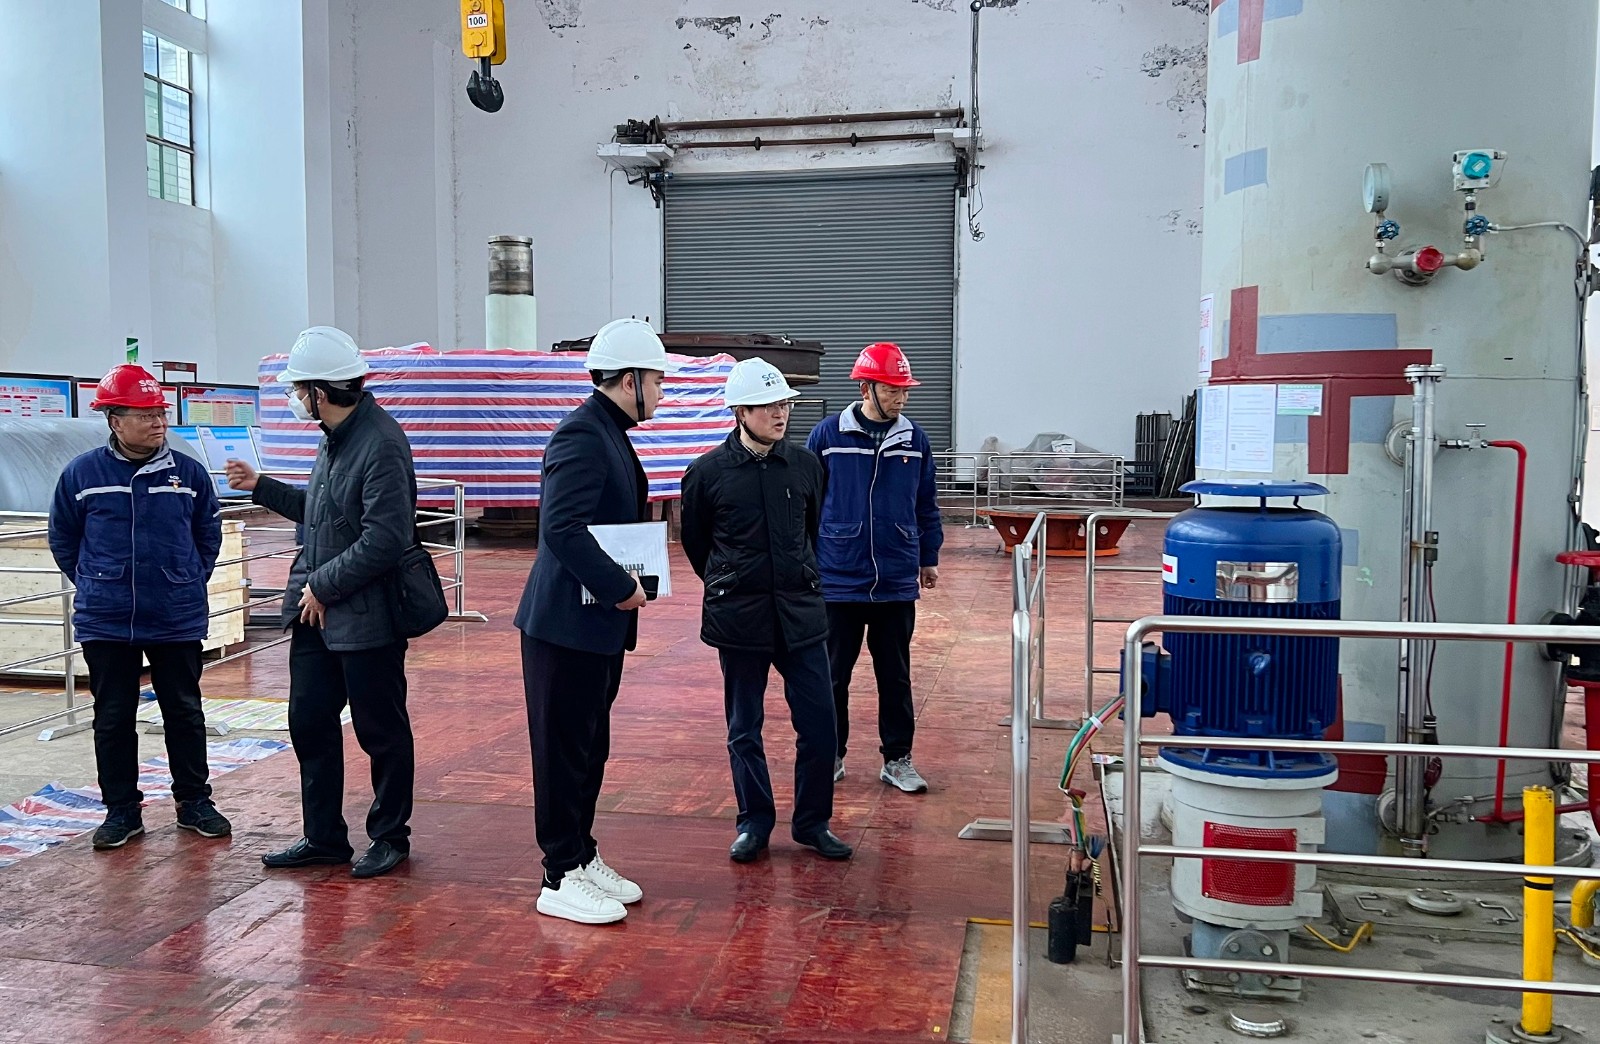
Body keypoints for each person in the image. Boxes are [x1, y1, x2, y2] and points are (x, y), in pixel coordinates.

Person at [224, 326, 418, 880]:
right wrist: (261, 486)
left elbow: (386, 538)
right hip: (317, 614)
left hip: (366, 617)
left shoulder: (381, 443)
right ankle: (324, 837)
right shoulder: (334, 438)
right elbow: (322, 510)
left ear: (320, 392)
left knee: (380, 729)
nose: (294, 399)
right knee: (309, 722)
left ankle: (390, 836)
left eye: (297, 389)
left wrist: (323, 585)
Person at [514, 318, 675, 925]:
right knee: (562, 752)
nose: (661, 392)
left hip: (594, 625)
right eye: (656, 381)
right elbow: (561, 528)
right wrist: (619, 586)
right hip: (564, 627)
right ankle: (558, 875)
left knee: (588, 747)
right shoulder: (582, 435)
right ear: (629, 380)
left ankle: (581, 853)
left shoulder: (610, 432)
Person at [47, 364, 232, 850]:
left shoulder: (188, 474)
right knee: (112, 717)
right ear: (115, 420)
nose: (158, 423)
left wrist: (184, 579)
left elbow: (207, 535)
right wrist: (98, 582)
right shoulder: (82, 474)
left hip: (175, 616)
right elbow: (64, 539)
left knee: (184, 712)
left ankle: (194, 802)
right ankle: (122, 811)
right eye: (146, 415)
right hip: (106, 620)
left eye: (160, 414)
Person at [682, 357, 852, 865]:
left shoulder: (805, 466)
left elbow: (811, 531)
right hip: (740, 619)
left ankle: (812, 823)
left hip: (801, 615)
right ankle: (754, 823)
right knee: (744, 728)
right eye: (769, 406)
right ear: (740, 411)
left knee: (820, 725)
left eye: (785, 404)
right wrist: (731, 584)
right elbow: (697, 545)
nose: (781, 414)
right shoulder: (707, 473)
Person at [805, 342, 943, 794]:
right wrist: (806, 561)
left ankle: (897, 759)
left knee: (895, 676)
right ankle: (830, 754)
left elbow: (926, 502)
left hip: (896, 579)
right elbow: (806, 501)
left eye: (905, 390)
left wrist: (928, 556)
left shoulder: (914, 439)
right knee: (832, 675)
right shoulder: (828, 436)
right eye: (892, 389)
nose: (901, 398)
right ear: (866, 388)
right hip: (838, 578)